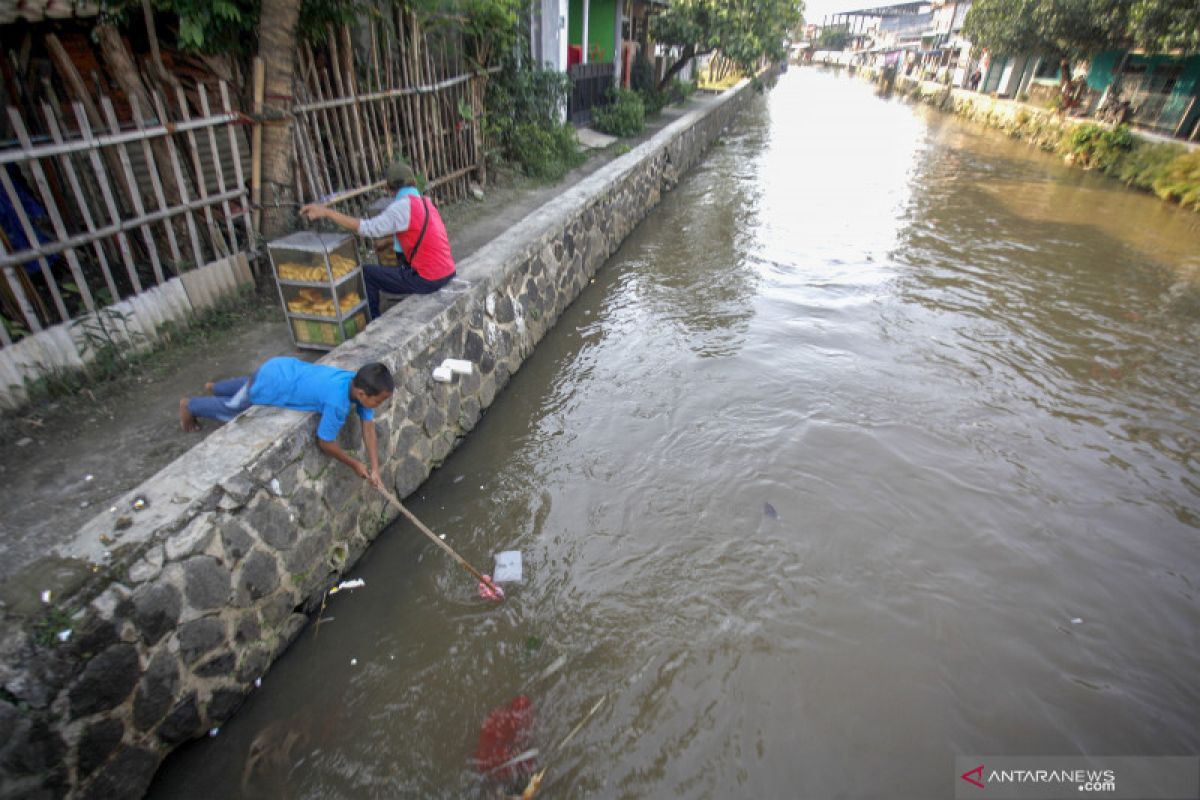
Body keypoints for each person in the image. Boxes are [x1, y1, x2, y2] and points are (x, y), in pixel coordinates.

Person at [179, 357, 393, 486]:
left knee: (250, 383)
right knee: (234, 407)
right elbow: (325, 442)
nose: (378, 404)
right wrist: (354, 463)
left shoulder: (353, 381)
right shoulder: (338, 404)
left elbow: (369, 428)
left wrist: (375, 468)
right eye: (378, 401)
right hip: (274, 384)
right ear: (362, 393)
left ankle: (215, 387)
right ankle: (190, 406)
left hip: (282, 367)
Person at [300, 161, 456, 320]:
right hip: (448, 271)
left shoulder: (401, 207)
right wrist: (387, 242)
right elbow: (416, 234)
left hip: (428, 280)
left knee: (367, 273)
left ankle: (373, 322)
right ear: (414, 182)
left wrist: (327, 213)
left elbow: (369, 228)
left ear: (388, 189)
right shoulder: (426, 202)